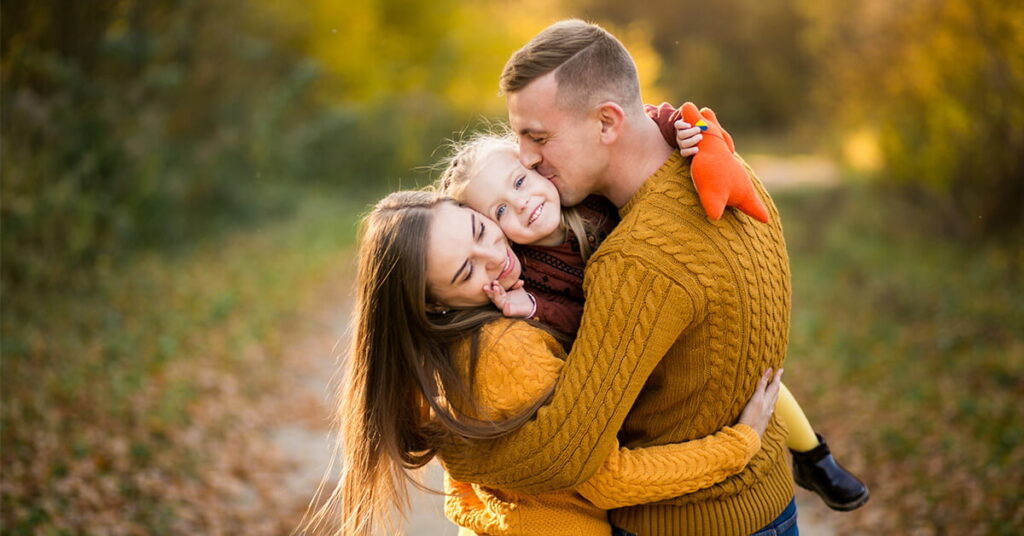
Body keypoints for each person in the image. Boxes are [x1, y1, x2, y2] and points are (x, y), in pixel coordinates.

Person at [433, 19, 811, 535]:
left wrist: (454, 449)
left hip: (685, 523)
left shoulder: (636, 260)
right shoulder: (723, 169)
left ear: (608, 123)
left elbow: (569, 453)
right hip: (768, 502)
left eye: (538, 137)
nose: (525, 156)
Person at [436, 118, 868, 513]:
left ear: (536, 168)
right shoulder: (528, 274)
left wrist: (676, 126)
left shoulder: (589, 196)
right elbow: (580, 326)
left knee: (756, 374)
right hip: (623, 353)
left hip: (673, 314)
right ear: (493, 228)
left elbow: (627, 127)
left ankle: (814, 456)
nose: (522, 203)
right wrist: (531, 308)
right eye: (499, 211)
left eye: (519, 181)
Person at [302, 190, 784, 535]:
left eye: (480, 230)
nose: (493, 257)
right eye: (467, 270)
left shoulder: (458, 335)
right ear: (434, 304)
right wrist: (736, 446)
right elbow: (604, 478)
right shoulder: (503, 347)